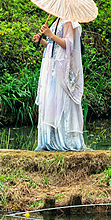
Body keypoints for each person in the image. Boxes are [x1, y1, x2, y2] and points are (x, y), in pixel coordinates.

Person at [33, 18, 86, 151]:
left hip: (61, 68)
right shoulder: (56, 21)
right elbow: (54, 46)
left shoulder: (69, 21)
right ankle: (51, 139)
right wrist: (43, 41)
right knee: (51, 101)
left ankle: (65, 140)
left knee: (61, 100)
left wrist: (50, 34)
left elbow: (68, 44)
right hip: (51, 66)